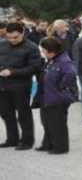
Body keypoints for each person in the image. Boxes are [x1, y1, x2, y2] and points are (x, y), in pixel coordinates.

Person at [0, 22, 43, 150]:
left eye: (15, 37)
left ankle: (27, 140)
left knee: (23, 114)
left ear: (22, 33)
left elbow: (35, 67)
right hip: (3, 86)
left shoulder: (32, 47)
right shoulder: (2, 45)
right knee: (6, 114)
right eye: (9, 37)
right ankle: (12, 139)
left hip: (21, 86)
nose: (12, 40)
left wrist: (13, 72)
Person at [37, 37, 78, 154]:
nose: (42, 52)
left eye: (43, 50)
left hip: (58, 97)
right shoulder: (51, 60)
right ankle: (48, 144)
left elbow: (70, 74)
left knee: (57, 123)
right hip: (47, 96)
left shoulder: (64, 61)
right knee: (46, 121)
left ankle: (60, 147)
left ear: (50, 50)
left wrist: (61, 87)